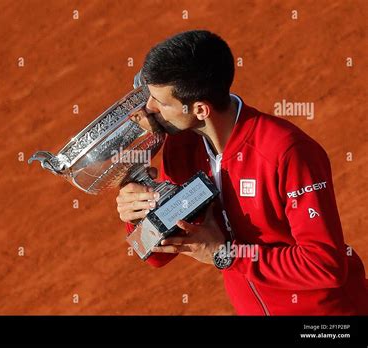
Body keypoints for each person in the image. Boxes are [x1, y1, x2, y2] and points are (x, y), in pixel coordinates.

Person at [115, 30, 368, 315]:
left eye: (159, 102)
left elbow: (325, 266)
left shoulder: (286, 152)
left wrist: (227, 254)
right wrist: (138, 208)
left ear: (200, 109)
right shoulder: (183, 147)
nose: (149, 109)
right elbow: (158, 254)